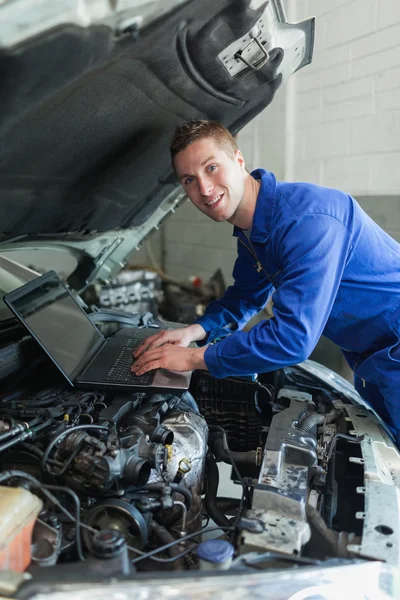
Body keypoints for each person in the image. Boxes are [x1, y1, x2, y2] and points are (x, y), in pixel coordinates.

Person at [131, 119, 400, 444]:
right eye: (190, 179)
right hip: (372, 359)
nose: (204, 188)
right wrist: (195, 331)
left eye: (211, 167)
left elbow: (292, 339)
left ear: (239, 160)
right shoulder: (253, 231)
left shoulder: (306, 222)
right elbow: (245, 296)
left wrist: (193, 358)